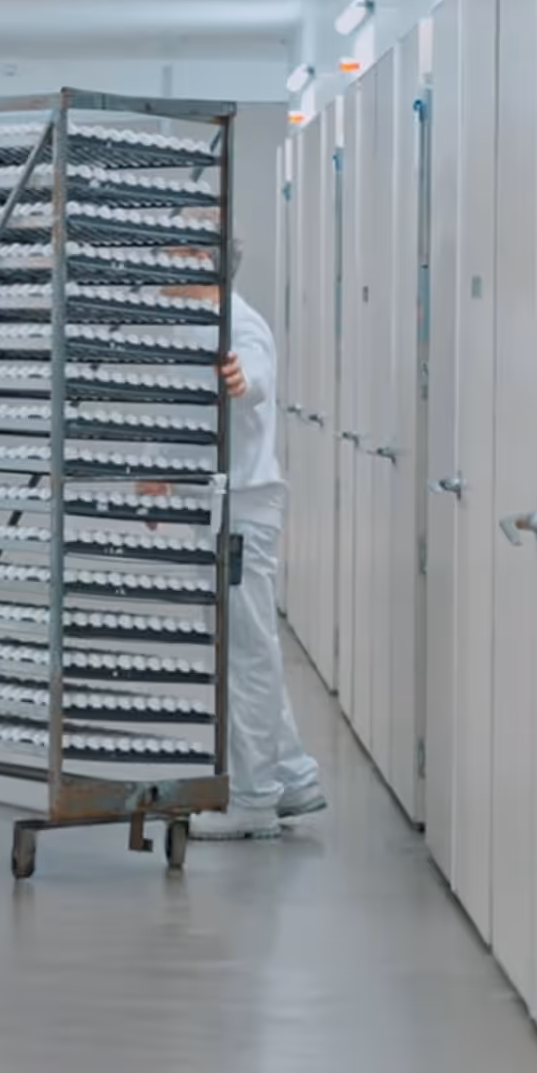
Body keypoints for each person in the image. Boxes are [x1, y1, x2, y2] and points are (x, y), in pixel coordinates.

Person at [172, 244, 324, 841]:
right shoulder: (201, 326)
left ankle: (255, 799)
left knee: (247, 655)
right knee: (248, 645)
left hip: (242, 512)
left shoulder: (238, 323)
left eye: (169, 253)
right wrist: (166, 469)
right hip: (224, 504)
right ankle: (293, 777)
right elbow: (204, 419)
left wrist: (243, 379)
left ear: (197, 260)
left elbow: (251, 374)